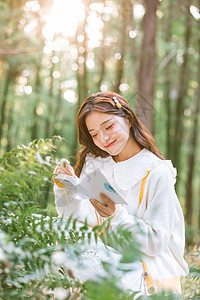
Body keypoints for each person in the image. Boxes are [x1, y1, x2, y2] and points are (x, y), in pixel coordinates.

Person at [53, 92, 188, 296]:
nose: (104, 138)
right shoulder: (98, 165)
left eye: (108, 126)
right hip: (109, 260)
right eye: (94, 134)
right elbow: (76, 223)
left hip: (149, 271)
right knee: (58, 233)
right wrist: (66, 188)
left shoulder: (157, 172)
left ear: (128, 118)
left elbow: (156, 243)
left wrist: (116, 216)